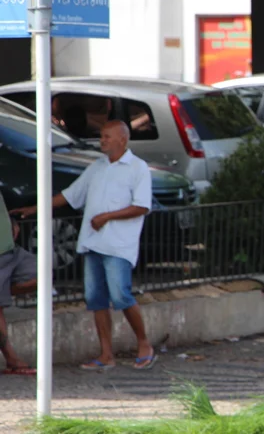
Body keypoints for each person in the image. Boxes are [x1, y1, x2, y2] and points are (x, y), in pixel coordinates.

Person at [12, 120, 156, 371]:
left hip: (119, 245)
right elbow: (70, 195)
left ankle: (144, 344)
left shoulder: (138, 168)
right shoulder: (97, 167)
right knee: (95, 299)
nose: (102, 141)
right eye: (101, 136)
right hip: (92, 243)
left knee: (121, 295)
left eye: (107, 137)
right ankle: (105, 355)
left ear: (123, 139)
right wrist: (35, 209)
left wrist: (107, 217)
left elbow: (142, 206)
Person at [0, 200, 37, 376]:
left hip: (9, 249)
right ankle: (12, 358)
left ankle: (3, 290)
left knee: (42, 275)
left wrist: (10, 221)